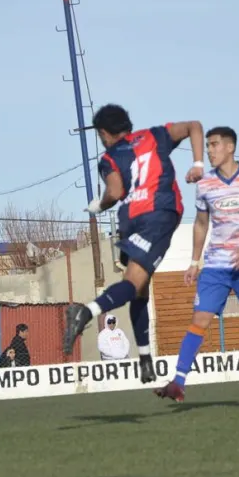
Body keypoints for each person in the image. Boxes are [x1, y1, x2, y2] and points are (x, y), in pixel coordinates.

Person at [63, 104, 204, 385]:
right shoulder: (154, 136)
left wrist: (98, 205)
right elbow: (194, 126)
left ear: (104, 133)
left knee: (139, 289)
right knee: (134, 283)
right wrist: (198, 164)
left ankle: (145, 359)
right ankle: (87, 311)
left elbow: (114, 192)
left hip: (132, 220)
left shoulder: (109, 158)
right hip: (159, 215)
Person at [154, 126, 239, 407]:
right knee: (199, 319)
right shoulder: (205, 184)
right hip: (215, 266)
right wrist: (195, 261)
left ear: (230, 147)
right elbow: (201, 224)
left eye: (213, 145)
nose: (208, 150)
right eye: (207, 145)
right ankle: (178, 383)